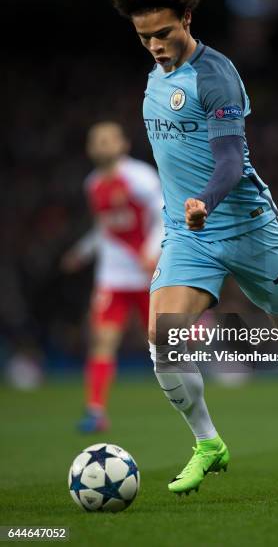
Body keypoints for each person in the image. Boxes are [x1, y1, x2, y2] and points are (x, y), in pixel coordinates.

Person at [111, 0, 278, 496]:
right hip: (190, 235)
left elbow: (230, 161)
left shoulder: (217, 75)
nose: (155, 46)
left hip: (249, 227)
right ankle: (208, 443)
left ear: (187, 18)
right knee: (163, 338)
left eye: (163, 33)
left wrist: (205, 199)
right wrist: (191, 213)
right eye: (144, 38)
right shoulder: (153, 78)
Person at [61, 121, 163, 432]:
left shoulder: (140, 178)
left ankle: (189, 400)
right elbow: (104, 229)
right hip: (113, 277)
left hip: (148, 274)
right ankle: (95, 411)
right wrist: (81, 252)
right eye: (96, 141)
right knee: (102, 340)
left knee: (165, 344)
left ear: (123, 144)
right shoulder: (92, 184)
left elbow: (165, 216)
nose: (101, 145)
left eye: (108, 139)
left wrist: (151, 250)